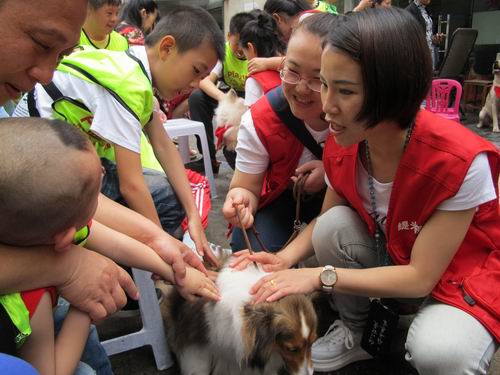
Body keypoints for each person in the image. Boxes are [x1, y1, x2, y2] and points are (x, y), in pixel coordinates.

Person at [231, 8, 500, 374]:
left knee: (440, 353)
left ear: (393, 90)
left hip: (458, 277)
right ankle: (357, 333)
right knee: (332, 226)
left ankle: (445, 324)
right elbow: (326, 221)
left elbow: (422, 275)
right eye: (324, 84)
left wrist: (319, 275)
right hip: (396, 254)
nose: (326, 106)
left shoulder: (461, 161)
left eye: (344, 90)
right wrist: (285, 259)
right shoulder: (348, 139)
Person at [0, 0, 210, 372]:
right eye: (42, 42)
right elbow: (128, 187)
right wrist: (74, 277)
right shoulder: (129, 80)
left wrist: (166, 248)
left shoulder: (133, 71)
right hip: (48, 165)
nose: (49, 73)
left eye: (63, 53)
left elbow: (90, 219)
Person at [0, 117, 219, 375]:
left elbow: (120, 245)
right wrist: (85, 307)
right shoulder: (28, 302)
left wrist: (177, 272)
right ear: (65, 237)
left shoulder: (44, 230)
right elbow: (53, 371)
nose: (105, 178)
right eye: (97, 193)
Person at [14, 5, 224, 258]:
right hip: (38, 167)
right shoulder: (129, 83)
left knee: (170, 196)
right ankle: (132, 280)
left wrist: (193, 217)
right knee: (163, 202)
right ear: (167, 48)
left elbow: (163, 145)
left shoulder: (134, 66)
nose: (195, 84)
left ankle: (141, 269)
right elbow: (131, 185)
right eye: (196, 70)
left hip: (69, 158)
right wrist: (165, 248)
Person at [222, 13, 336, 253]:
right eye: (292, 71)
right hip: (282, 195)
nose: (302, 89)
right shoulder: (261, 119)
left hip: (345, 201)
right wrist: (240, 202)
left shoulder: (355, 116)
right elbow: (245, 186)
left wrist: (331, 171)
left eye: (318, 79)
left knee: (340, 232)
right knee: (249, 245)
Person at [186, 12, 254, 175]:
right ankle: (208, 158)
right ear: (229, 36)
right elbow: (205, 81)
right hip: (229, 95)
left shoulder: (256, 54)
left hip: (252, 97)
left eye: (245, 44)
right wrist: (224, 99)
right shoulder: (223, 52)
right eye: (237, 43)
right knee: (197, 98)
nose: (240, 49)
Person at [239, 11, 285, 107]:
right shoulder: (288, 69)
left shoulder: (254, 81)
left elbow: (252, 117)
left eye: (244, 52)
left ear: (250, 47)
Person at [405, 0, 444, 70]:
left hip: (429, 56)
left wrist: (434, 39)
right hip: (418, 60)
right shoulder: (409, 12)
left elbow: (426, 34)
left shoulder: (425, 10)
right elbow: (409, 40)